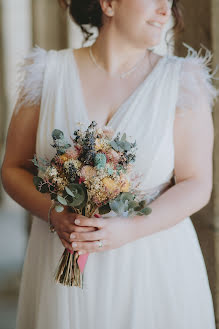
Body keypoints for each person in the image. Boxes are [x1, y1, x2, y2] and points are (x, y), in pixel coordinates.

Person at [1, 0, 219, 328]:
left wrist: (131, 229)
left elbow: (197, 183)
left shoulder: (182, 81)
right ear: (109, 4)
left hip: (153, 263)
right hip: (60, 257)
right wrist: (55, 212)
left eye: (169, 0)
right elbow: (13, 168)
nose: (166, 10)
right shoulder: (47, 74)